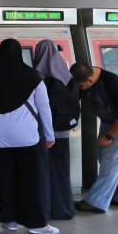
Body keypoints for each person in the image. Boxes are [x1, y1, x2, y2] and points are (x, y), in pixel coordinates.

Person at [0, 38, 59, 234]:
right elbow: (44, 108)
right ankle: (37, 224)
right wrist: (49, 134)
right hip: (24, 136)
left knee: (5, 176)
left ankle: (9, 220)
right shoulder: (33, 77)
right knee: (30, 178)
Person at [70, 60, 118, 212]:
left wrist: (109, 136)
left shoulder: (112, 82)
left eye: (81, 86)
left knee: (110, 159)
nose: (80, 89)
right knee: (108, 158)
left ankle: (96, 202)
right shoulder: (84, 79)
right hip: (108, 121)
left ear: (90, 80)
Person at [32, 40, 79, 220]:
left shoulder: (38, 76)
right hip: (64, 132)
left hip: (44, 134)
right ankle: (64, 209)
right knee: (61, 171)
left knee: (43, 171)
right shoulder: (67, 74)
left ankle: (46, 210)